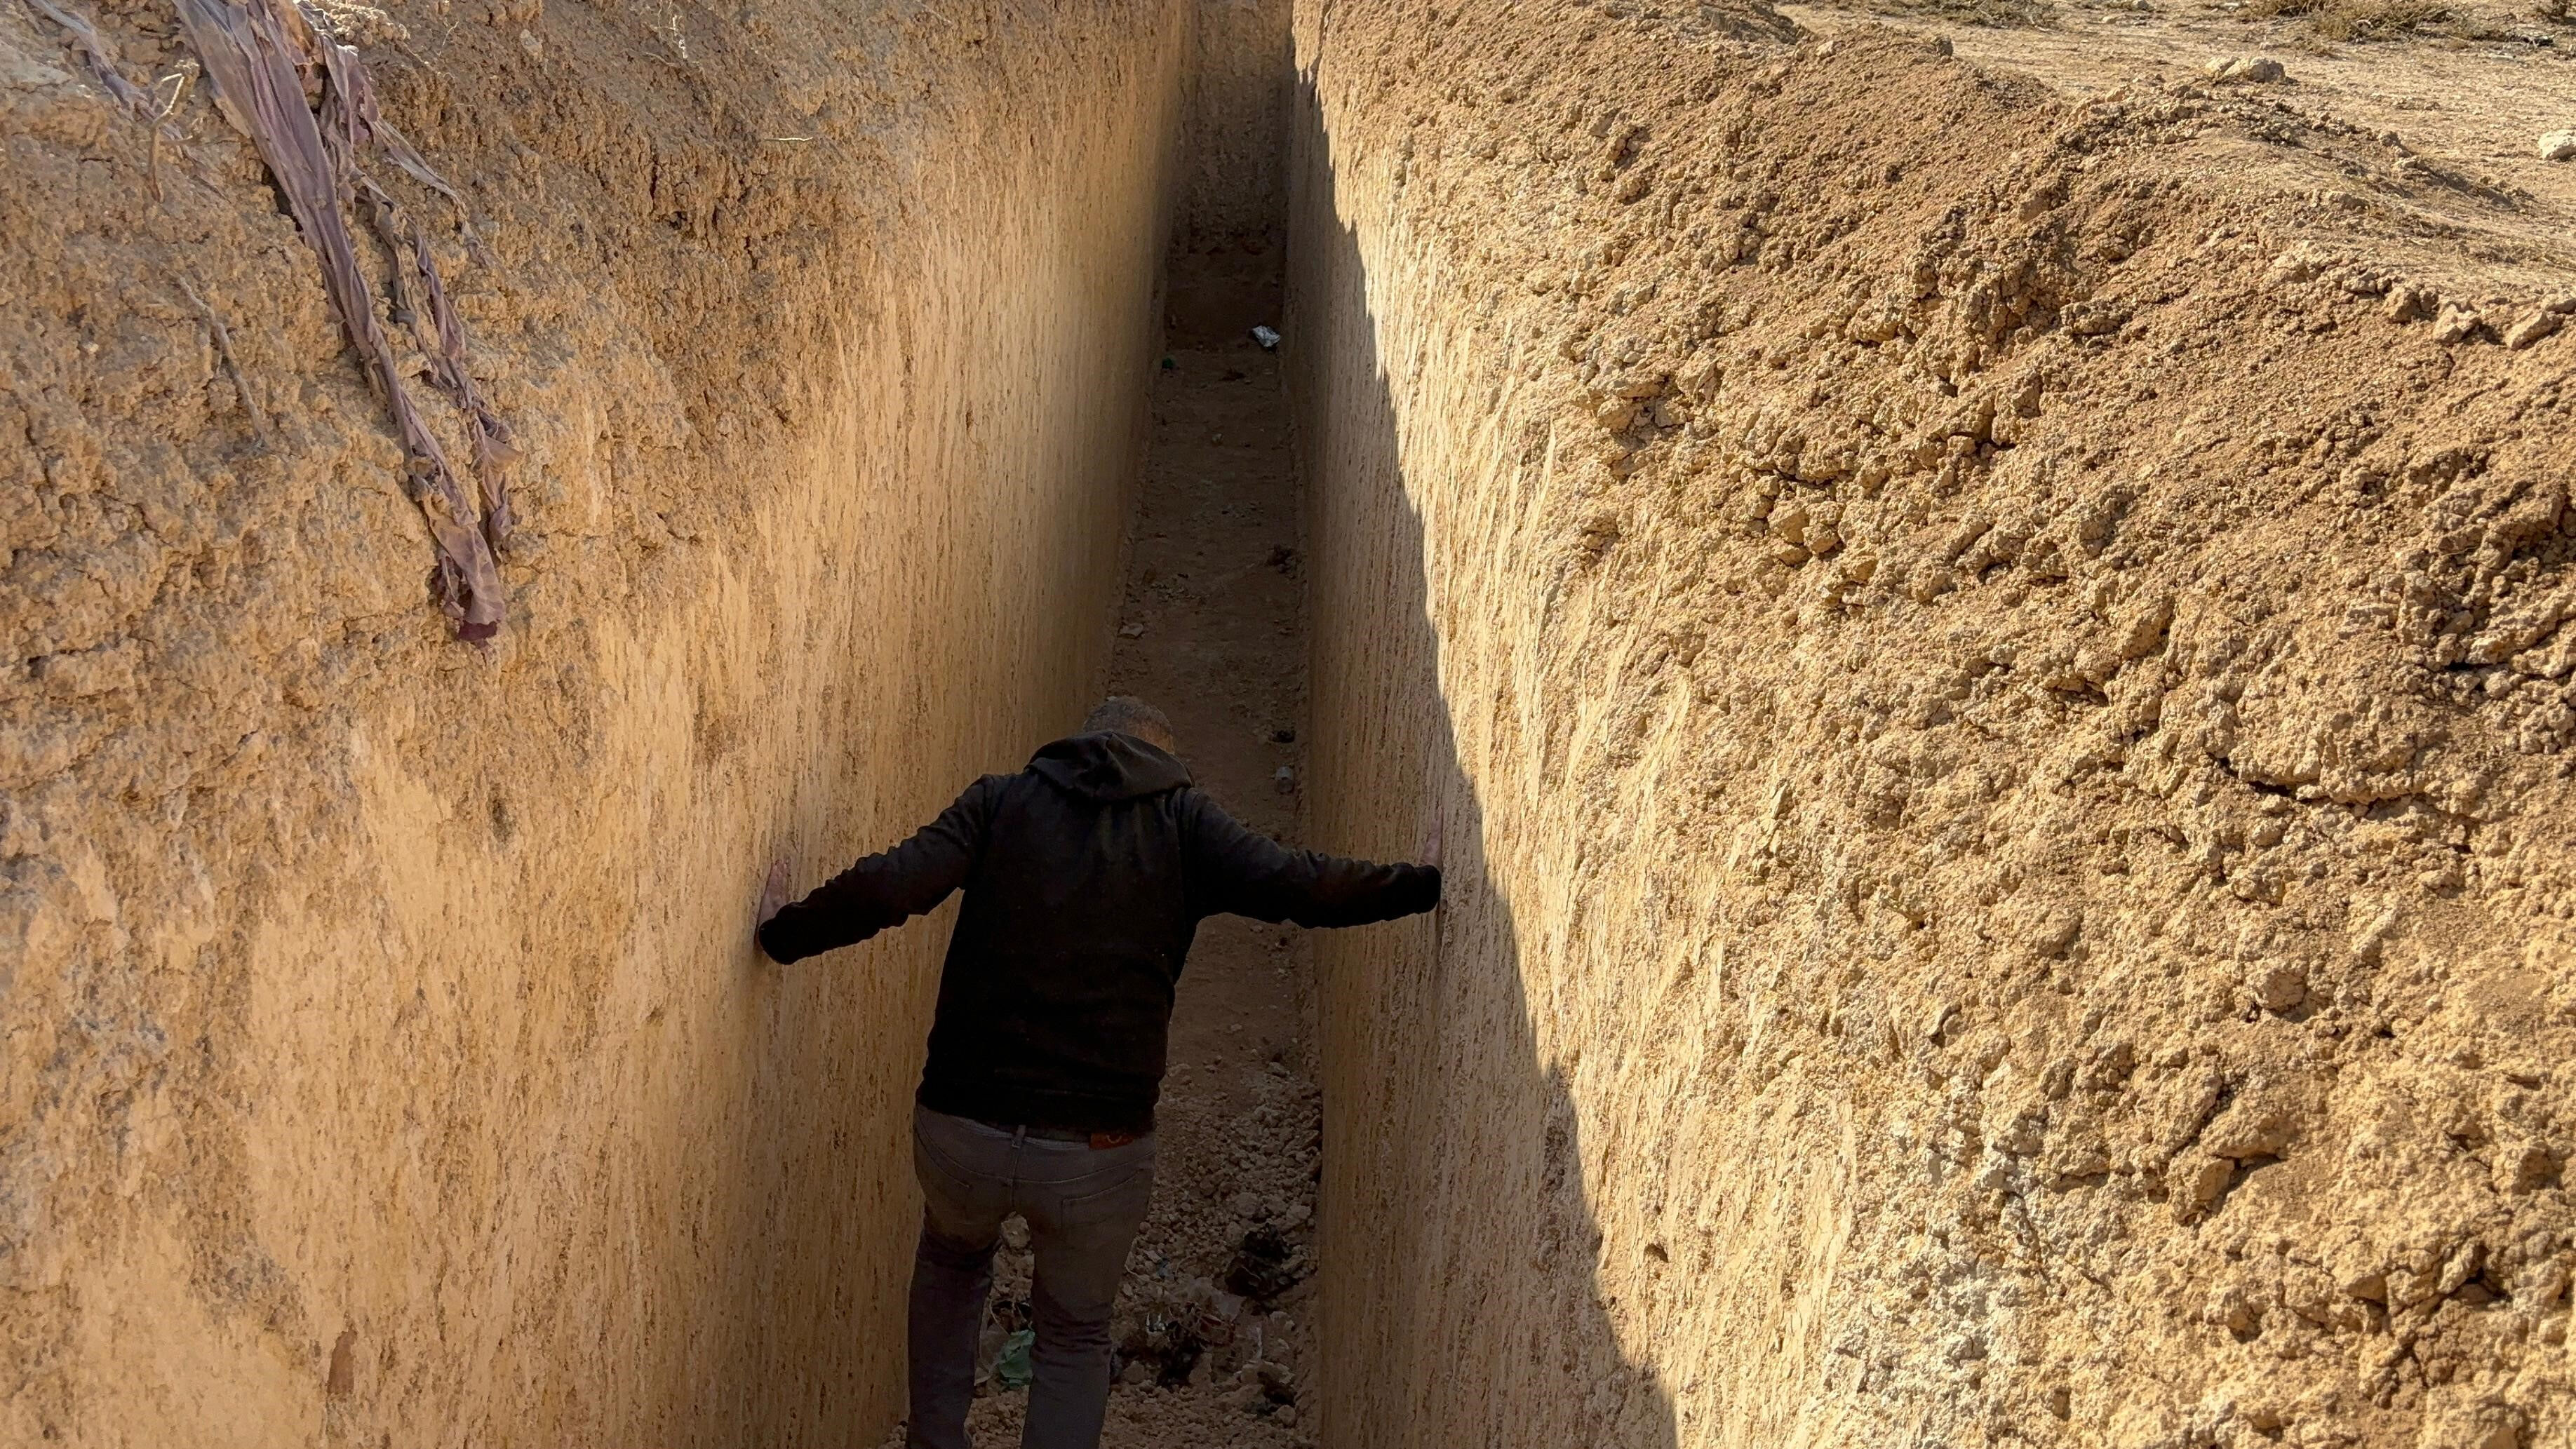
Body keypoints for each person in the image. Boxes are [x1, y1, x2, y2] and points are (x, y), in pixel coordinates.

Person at [753, 695, 1442, 1449]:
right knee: (1074, 1334)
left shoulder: (1001, 800)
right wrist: (1419, 885)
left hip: (963, 1131)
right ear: (1164, 760)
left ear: (1077, 743)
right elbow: (1299, 883)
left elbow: (891, 886)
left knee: (952, 1264)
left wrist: (784, 932)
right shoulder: (1186, 823)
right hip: (1099, 1151)